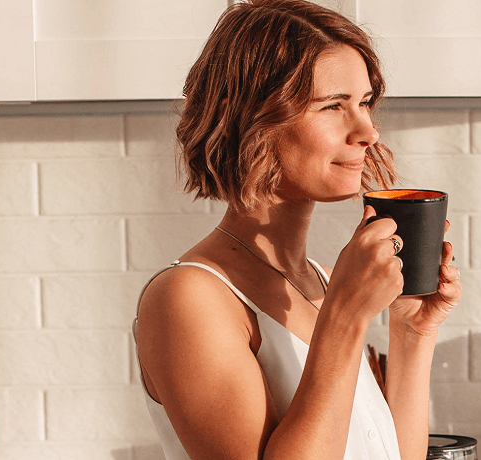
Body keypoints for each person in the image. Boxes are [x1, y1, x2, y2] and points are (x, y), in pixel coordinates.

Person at [133, 1, 462, 459]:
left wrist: (411, 332)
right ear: (253, 118)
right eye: (333, 106)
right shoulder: (189, 299)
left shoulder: (325, 282)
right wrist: (346, 317)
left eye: (365, 103)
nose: (367, 131)